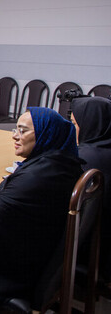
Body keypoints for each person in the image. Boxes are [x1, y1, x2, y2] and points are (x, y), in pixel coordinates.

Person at [0, 107, 82, 311]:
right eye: (15, 130)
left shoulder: (39, 177)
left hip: (14, 273)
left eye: (23, 131)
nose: (15, 136)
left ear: (46, 133)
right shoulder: (62, 163)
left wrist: (1, 189)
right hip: (40, 256)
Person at [71, 96, 111, 281]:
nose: (72, 130)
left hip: (83, 246)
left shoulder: (83, 158)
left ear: (89, 124)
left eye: (74, 124)